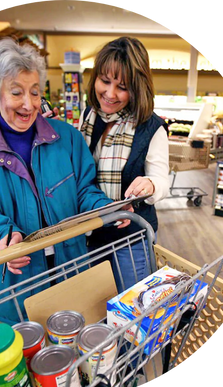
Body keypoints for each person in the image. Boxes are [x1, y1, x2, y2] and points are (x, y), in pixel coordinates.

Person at [0, 37, 130, 325]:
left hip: (71, 265)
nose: (29, 105)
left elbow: (83, 191)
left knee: (77, 340)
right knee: (28, 354)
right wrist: (1, 237)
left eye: (34, 92)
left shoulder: (66, 137)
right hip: (15, 280)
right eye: (16, 93)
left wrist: (106, 208)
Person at [79, 36, 169, 292]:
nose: (109, 93)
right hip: (92, 230)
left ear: (137, 88)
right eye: (105, 81)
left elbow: (162, 180)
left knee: (131, 301)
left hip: (131, 237)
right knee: (97, 299)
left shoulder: (151, 127)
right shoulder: (89, 116)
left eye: (122, 86)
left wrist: (150, 184)